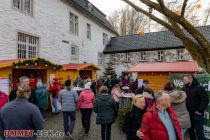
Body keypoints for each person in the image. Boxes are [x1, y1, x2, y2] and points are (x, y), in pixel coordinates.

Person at [182, 75, 209, 140]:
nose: (183, 81)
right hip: (188, 115)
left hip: (197, 115)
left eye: (185, 80)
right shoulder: (184, 88)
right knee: (191, 132)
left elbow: (205, 100)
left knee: (199, 133)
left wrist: (199, 110)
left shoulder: (199, 88)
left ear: (190, 80)